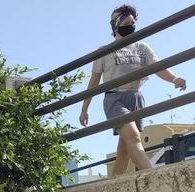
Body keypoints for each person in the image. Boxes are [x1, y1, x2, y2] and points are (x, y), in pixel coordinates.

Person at [79, 4, 187, 176]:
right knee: (134, 137)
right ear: (115, 26)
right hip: (115, 100)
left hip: (136, 98)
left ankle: (112, 189)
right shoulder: (104, 52)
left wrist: (174, 79)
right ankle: (155, 178)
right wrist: (84, 109)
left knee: (124, 151)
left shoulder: (142, 47)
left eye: (133, 23)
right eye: (126, 23)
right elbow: (93, 83)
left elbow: (158, 67)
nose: (131, 27)